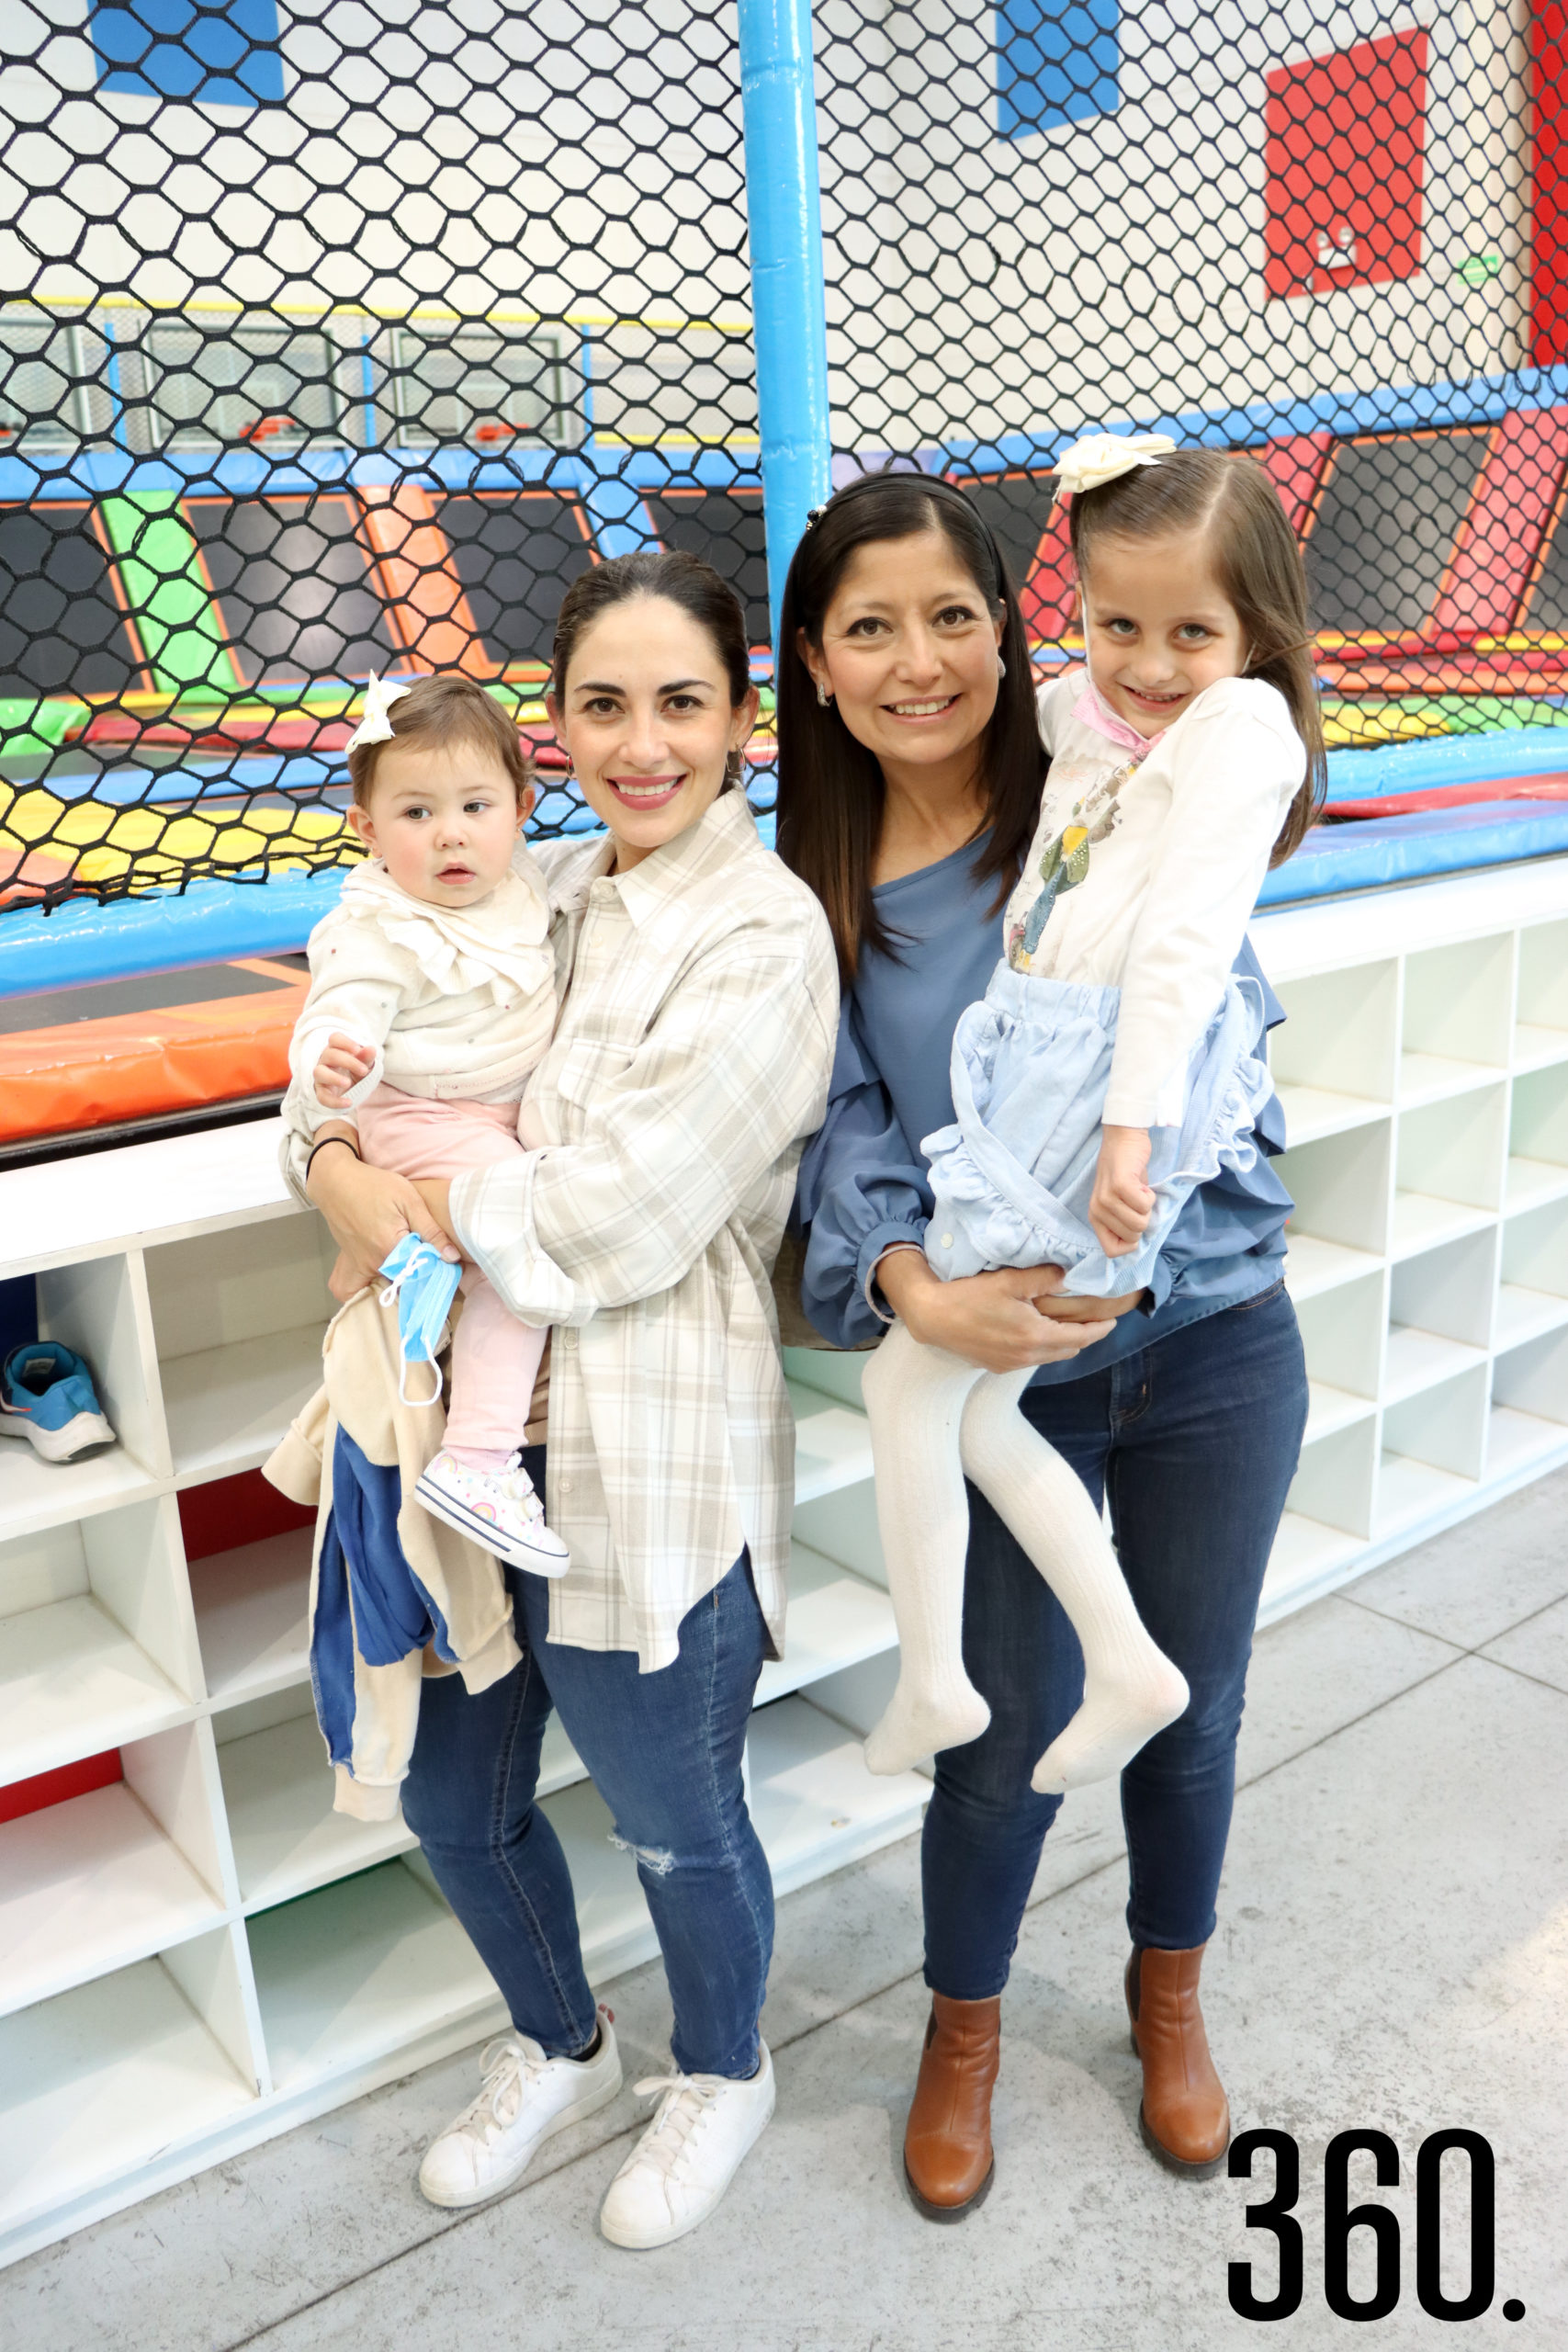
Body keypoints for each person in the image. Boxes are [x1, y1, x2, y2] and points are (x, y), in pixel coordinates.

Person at [775, 460, 1311, 2219]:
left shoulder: (1108, 767)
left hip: (1205, 1329)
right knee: (997, 1730)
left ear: (1016, 638)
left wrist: (1140, 1246)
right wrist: (917, 1293)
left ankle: (1170, 2002)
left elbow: (1208, 1013)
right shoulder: (818, 881)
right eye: (870, 629)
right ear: (818, 658)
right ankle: (966, 2029)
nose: (918, 662)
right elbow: (846, 1123)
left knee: (1193, 1705)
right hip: (1004, 1354)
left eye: (954, 617)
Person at [292, 550, 838, 2251]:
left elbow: (614, 1215)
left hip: (642, 1445)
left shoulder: (762, 930)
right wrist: (321, 1152)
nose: (641, 739)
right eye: (604, 704)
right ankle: (560, 2039)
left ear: (743, 720)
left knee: (677, 1819)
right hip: (455, 1444)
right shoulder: (534, 892)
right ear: (556, 729)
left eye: (681, 700)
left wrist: (390, 1196)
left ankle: (723, 2069)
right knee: (459, 1803)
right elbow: (347, 1060)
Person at [852, 432, 1318, 1801]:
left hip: (1097, 1075)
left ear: (1252, 634)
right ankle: (1113, 1660)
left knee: (906, 1385)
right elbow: (1040, 704)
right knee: (979, 1408)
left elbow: (1181, 943)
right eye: (1118, 623)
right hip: (1034, 1057)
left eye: (1192, 631)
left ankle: (938, 1678)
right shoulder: (1096, 720)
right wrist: (933, 656)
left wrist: (1132, 1131)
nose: (1150, 664)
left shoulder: (1238, 731)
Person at [287, 670, 566, 1570]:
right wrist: (331, 1059)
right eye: (414, 814)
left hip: (484, 1115)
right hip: (421, 1110)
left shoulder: (523, 886)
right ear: (367, 830)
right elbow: (337, 1009)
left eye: (475, 805)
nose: (450, 832)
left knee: (494, 1237)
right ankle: (482, 1454)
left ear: (521, 808)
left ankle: (410, 1262)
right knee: (521, 1248)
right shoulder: (383, 926)